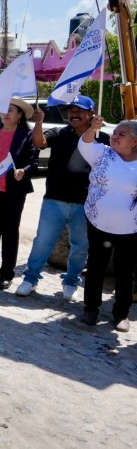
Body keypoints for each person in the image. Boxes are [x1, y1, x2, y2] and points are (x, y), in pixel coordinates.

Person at [15, 95, 110, 300]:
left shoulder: (102, 139)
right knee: (42, 242)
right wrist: (39, 122)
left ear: (91, 114)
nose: (74, 114)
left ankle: (71, 282)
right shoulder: (59, 132)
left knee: (80, 247)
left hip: (86, 205)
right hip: (54, 200)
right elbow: (39, 142)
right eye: (71, 110)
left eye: (80, 111)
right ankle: (30, 279)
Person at [76, 119, 137, 330]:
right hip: (98, 223)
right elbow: (84, 144)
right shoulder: (103, 153)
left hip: (129, 229)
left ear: (135, 142)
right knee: (95, 267)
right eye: (115, 132)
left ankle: (121, 314)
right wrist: (93, 128)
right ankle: (90, 309)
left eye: (122, 134)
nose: (115, 136)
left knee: (124, 271)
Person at [0, 98, 39, 289]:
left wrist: (24, 171)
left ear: (20, 114)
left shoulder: (26, 135)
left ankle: (7, 272)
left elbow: (34, 161)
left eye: (11, 110)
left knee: (10, 231)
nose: (6, 114)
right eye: (4, 110)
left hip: (13, 190)